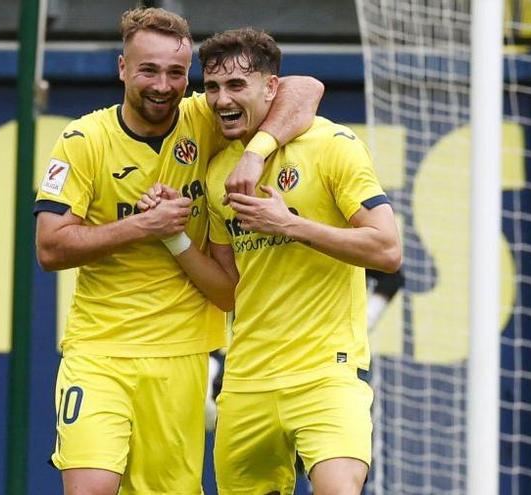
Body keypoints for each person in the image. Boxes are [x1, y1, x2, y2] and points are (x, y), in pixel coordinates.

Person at [34, 7, 322, 495]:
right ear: (123, 68)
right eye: (148, 70)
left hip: (182, 355)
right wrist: (144, 225)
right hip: (100, 350)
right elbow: (51, 247)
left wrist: (255, 152)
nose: (163, 85)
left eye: (175, 73)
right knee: (91, 487)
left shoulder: (202, 116)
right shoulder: (83, 139)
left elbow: (305, 87)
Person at [143, 27, 401, 494]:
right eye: (214, 87)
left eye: (237, 86)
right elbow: (227, 290)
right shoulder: (220, 171)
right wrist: (174, 237)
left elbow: (386, 249)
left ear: (271, 87)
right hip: (245, 384)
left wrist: (290, 224)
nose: (222, 99)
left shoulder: (332, 146)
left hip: (325, 374)